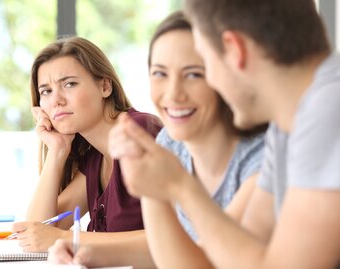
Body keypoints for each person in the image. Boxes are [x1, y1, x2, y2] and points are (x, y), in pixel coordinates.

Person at [104, 0, 340, 268]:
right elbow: (230, 262)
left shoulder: (329, 109)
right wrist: (153, 185)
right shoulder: (286, 126)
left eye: (203, 64)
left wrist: (180, 186)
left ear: (234, 49)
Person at [47, 12, 266, 267]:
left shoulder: (262, 158)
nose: (173, 94)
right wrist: (86, 252)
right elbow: (168, 248)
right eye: (160, 74)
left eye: (194, 74)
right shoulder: (170, 144)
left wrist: (175, 184)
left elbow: (212, 257)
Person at [11, 37, 162, 268]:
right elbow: (37, 230)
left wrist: (65, 239)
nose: (56, 101)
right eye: (46, 91)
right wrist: (58, 150)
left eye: (69, 84)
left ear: (104, 86)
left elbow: (168, 241)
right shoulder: (95, 155)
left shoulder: (139, 133)